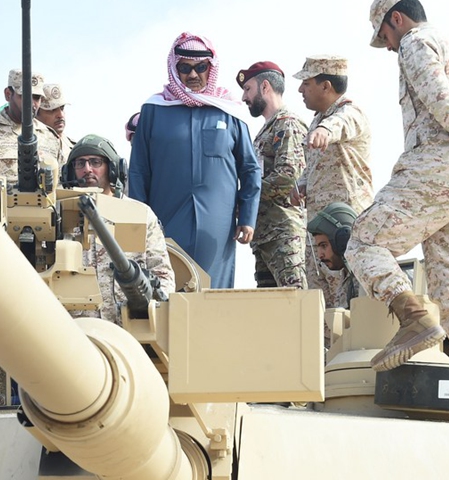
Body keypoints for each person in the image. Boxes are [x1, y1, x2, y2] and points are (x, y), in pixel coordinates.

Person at [345, 0, 449, 372]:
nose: (388, 45)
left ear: (396, 18)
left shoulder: (416, 41)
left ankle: (414, 319)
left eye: (385, 35)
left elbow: (441, 101)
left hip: (443, 169)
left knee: (363, 242)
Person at [128, 32, 262, 289]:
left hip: (218, 227)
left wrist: (247, 217)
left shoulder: (229, 111)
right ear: (174, 68)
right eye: (185, 68)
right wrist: (136, 223)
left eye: (201, 68)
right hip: (163, 221)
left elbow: (249, 168)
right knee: (166, 291)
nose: (193, 75)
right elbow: (138, 171)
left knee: (214, 295)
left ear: (210, 68)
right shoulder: (154, 110)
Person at [64, 134, 175, 325]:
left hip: (128, 329)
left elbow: (161, 273)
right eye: (80, 164)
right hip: (76, 331)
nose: (87, 169)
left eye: (95, 162)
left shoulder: (138, 213)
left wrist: (154, 318)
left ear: (113, 168)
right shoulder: (59, 215)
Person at [291, 55, 374, 306]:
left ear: (326, 86)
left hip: (343, 227)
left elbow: (341, 124)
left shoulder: (349, 112)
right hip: (319, 226)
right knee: (319, 292)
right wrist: (303, 184)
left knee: (348, 293)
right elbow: (314, 164)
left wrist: (326, 131)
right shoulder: (317, 120)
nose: (300, 89)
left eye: (306, 83)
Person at [237, 61, 307, 289]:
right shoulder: (264, 133)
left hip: (284, 235)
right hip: (265, 237)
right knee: (271, 310)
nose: (244, 97)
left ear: (265, 86)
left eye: (248, 89)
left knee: (296, 304)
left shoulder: (288, 125)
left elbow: (288, 178)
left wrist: (245, 199)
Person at [307, 203, 360, 309]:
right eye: (318, 247)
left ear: (343, 241)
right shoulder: (345, 279)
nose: (320, 254)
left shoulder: (365, 279)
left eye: (324, 245)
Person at [36, 83, 76, 161]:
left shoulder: (74, 147)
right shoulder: (28, 143)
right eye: (52, 110)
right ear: (36, 113)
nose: (60, 115)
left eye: (62, 108)